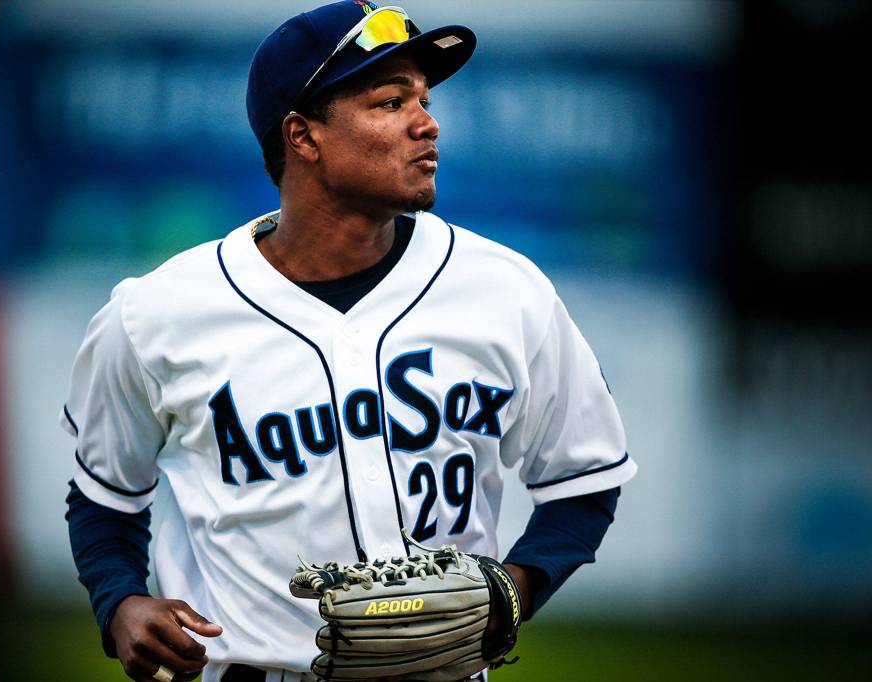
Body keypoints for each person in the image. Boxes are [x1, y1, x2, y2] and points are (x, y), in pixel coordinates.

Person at [61, 2, 638, 681]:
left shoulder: (506, 291)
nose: (427, 123)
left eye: (423, 98)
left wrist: (516, 587)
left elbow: (587, 477)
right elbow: (105, 497)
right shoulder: (157, 314)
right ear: (304, 137)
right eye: (390, 102)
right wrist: (121, 601)